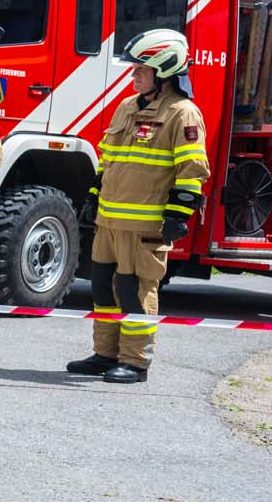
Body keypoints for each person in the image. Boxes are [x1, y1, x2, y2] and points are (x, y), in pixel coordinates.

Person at [67, 28, 209, 384]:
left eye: (141, 71)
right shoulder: (128, 107)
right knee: (102, 288)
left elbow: (192, 169)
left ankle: (135, 362)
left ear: (164, 72)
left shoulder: (183, 114)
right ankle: (105, 354)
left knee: (134, 291)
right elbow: (109, 158)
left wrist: (179, 214)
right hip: (109, 222)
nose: (133, 76)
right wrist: (94, 197)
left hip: (145, 226)